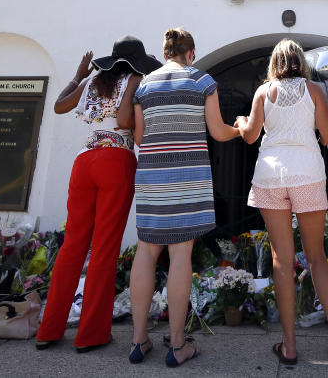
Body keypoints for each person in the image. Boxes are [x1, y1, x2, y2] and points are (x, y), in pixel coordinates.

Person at [36, 36, 161, 352]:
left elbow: (59, 105)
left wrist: (78, 74)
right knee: (104, 248)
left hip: (85, 159)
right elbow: (122, 120)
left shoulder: (93, 80)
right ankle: (90, 334)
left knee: (72, 246)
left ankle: (49, 330)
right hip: (115, 159)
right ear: (136, 63)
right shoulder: (135, 79)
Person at [128, 28, 240, 367]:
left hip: (151, 177)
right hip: (187, 179)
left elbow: (138, 136)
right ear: (190, 53)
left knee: (146, 251)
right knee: (180, 255)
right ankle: (178, 344)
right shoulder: (201, 81)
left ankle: (138, 341)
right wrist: (241, 127)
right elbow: (218, 131)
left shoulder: (144, 85)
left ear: (165, 54)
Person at [234, 39, 328, 369]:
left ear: (274, 63)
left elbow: (251, 136)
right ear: (300, 61)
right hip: (308, 173)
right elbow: (327, 136)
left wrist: (241, 122)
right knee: (317, 258)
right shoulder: (314, 90)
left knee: (282, 261)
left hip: (271, 175)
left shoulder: (263, 92)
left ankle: (289, 346)